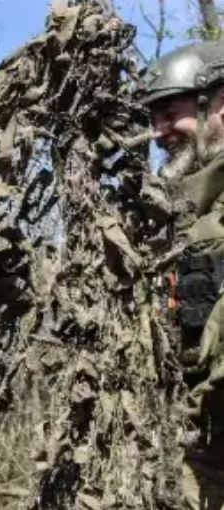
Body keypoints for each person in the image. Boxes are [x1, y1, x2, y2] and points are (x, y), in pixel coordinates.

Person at [137, 41, 224, 510]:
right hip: (191, 450)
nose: (158, 133)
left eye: (170, 114)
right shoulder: (174, 212)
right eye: (152, 120)